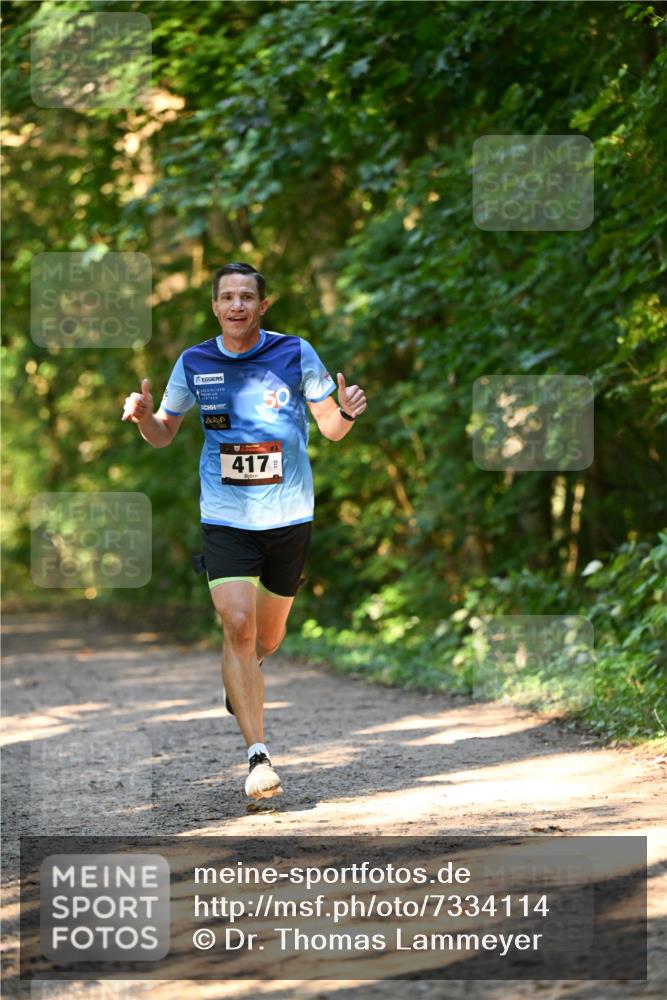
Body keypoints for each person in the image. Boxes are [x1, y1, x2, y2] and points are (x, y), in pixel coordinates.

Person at [122, 262, 367, 801]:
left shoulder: (294, 353)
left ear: (262, 305)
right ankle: (258, 756)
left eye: (247, 297)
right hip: (227, 516)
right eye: (227, 297)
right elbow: (163, 433)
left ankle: (242, 675)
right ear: (215, 306)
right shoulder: (194, 362)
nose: (237, 305)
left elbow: (329, 428)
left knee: (267, 639)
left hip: (288, 515)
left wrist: (345, 414)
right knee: (237, 625)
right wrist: (143, 416)